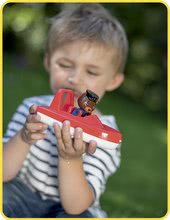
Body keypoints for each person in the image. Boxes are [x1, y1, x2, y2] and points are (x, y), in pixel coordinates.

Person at [3, 3, 128, 218]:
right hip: (21, 193)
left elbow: (75, 206)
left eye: (91, 71)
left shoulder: (105, 134)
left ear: (113, 80)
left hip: (68, 208)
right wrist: (24, 137)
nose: (74, 78)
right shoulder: (32, 107)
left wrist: (70, 157)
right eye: (65, 64)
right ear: (48, 61)